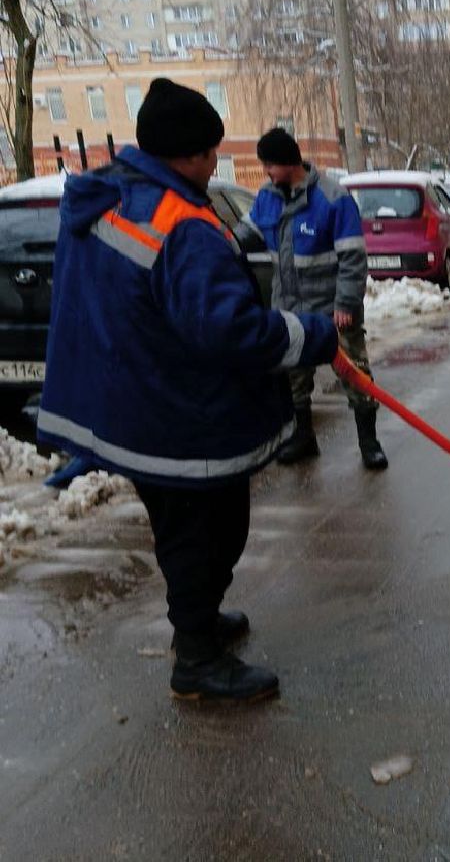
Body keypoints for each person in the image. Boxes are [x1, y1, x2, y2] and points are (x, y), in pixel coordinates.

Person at [37, 78, 340, 703]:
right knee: (209, 529)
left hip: (133, 398)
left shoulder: (109, 196)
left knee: (187, 527)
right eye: (210, 153)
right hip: (171, 413)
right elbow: (229, 329)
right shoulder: (181, 224)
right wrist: (310, 335)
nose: (213, 165)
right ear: (193, 155)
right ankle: (196, 659)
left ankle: (196, 623)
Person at [237, 127, 387, 470]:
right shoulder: (267, 197)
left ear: (288, 163)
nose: (266, 173)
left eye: (270, 166)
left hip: (333, 311)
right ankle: (303, 437)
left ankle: (369, 442)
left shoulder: (333, 198)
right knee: (293, 376)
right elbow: (246, 234)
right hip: (288, 308)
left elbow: (353, 257)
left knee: (354, 374)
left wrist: (346, 304)